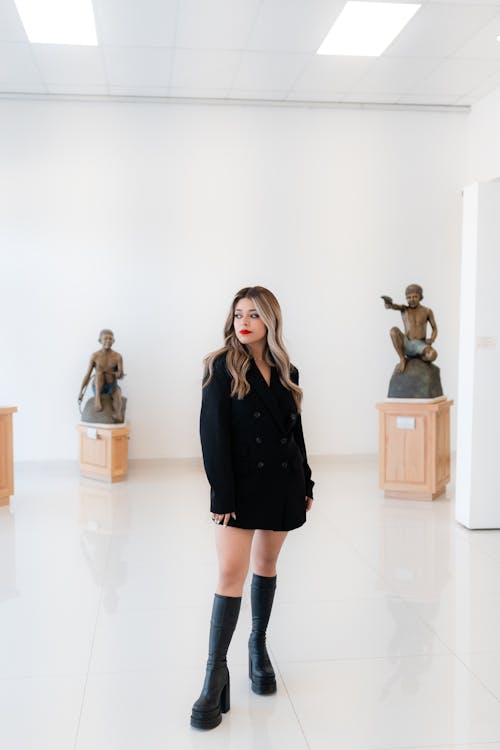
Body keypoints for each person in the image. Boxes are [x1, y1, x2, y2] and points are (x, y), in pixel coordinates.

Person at [190, 286, 314, 731]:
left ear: (270, 322)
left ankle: (257, 648)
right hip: (239, 489)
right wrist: (221, 495)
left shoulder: (286, 369)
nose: (244, 321)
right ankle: (214, 674)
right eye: (238, 313)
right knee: (229, 574)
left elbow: (295, 432)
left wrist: (308, 479)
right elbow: (212, 435)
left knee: (266, 565)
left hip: (282, 483)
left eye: (254, 315)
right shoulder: (220, 367)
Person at [382, 284, 438, 373]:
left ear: (420, 297)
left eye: (415, 296)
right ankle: (402, 358)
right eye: (409, 297)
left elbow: (434, 328)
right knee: (393, 331)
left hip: (421, 345)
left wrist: (432, 339)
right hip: (406, 343)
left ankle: (421, 356)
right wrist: (389, 305)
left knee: (433, 355)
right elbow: (394, 306)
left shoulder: (427, 311)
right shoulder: (404, 309)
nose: (412, 299)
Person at [78, 329, 124, 421]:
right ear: (100, 340)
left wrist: (118, 374)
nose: (108, 341)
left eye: (110, 339)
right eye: (105, 338)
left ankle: (118, 414)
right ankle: (97, 399)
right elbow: (88, 375)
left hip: (112, 386)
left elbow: (121, 375)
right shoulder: (95, 356)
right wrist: (81, 392)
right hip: (98, 387)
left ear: (113, 341)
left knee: (118, 392)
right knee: (99, 373)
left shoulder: (118, 357)